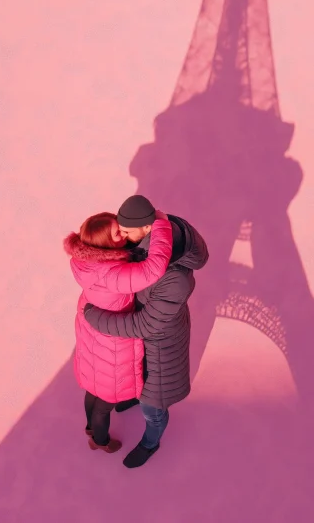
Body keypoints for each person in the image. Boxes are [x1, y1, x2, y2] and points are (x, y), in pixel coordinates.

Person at [84, 194, 209, 468]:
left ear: (148, 228)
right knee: (134, 378)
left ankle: (151, 442)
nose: (122, 236)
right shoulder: (143, 245)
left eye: (126, 231)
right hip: (140, 343)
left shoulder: (174, 279)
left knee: (152, 408)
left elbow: (145, 324)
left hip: (160, 348)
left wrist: (97, 318)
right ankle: (132, 394)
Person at [63, 208, 172, 454]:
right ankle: (99, 441)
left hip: (92, 336)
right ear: (105, 244)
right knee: (105, 401)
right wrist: (161, 226)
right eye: (117, 232)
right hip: (112, 345)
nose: (123, 233)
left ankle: (90, 427)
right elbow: (154, 269)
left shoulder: (85, 262)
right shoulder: (113, 274)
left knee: (93, 387)